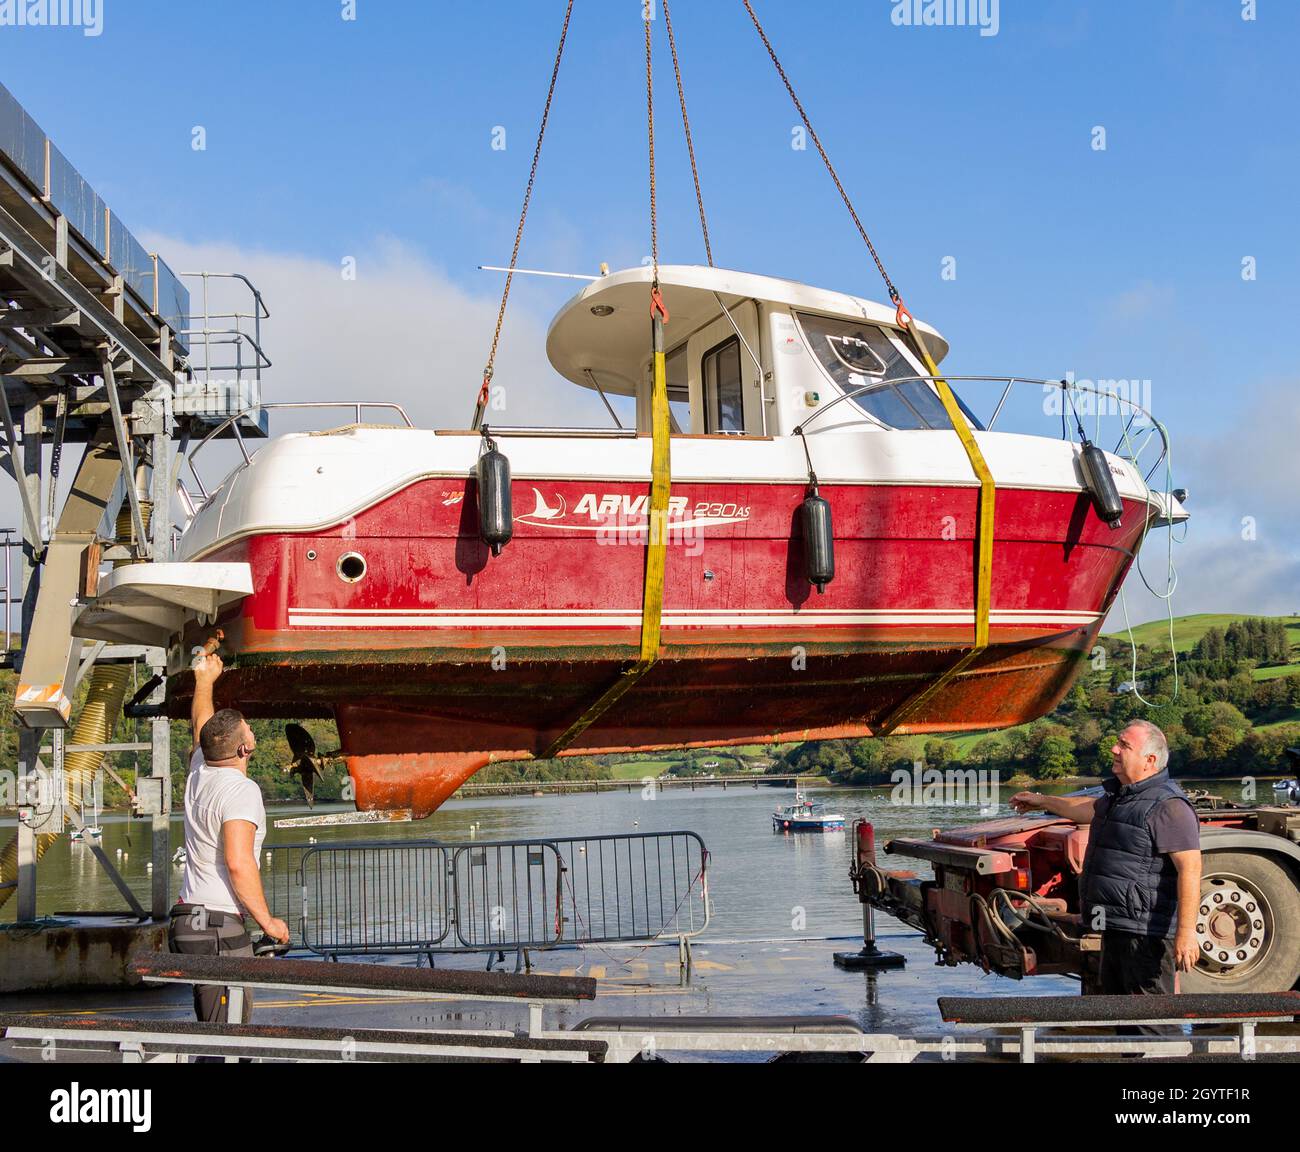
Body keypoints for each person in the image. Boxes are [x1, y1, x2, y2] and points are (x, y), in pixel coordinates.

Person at [1011, 719, 1202, 1013]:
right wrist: (1041, 800)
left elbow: (1190, 868)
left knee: (1151, 1022)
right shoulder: (1120, 796)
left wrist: (1186, 934)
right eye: (1118, 742)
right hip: (1114, 929)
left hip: (1145, 936)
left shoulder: (1169, 806)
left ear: (1150, 760)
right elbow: (1084, 808)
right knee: (1120, 1016)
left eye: (1124, 745)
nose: (1114, 749)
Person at [167, 652, 289, 1023]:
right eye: (249, 729)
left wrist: (205, 680)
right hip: (219, 926)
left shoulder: (199, 772)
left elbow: (202, 725)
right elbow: (238, 862)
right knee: (228, 1034)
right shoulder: (241, 790)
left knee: (214, 1026)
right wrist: (268, 923)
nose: (252, 732)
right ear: (244, 749)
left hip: (188, 920)